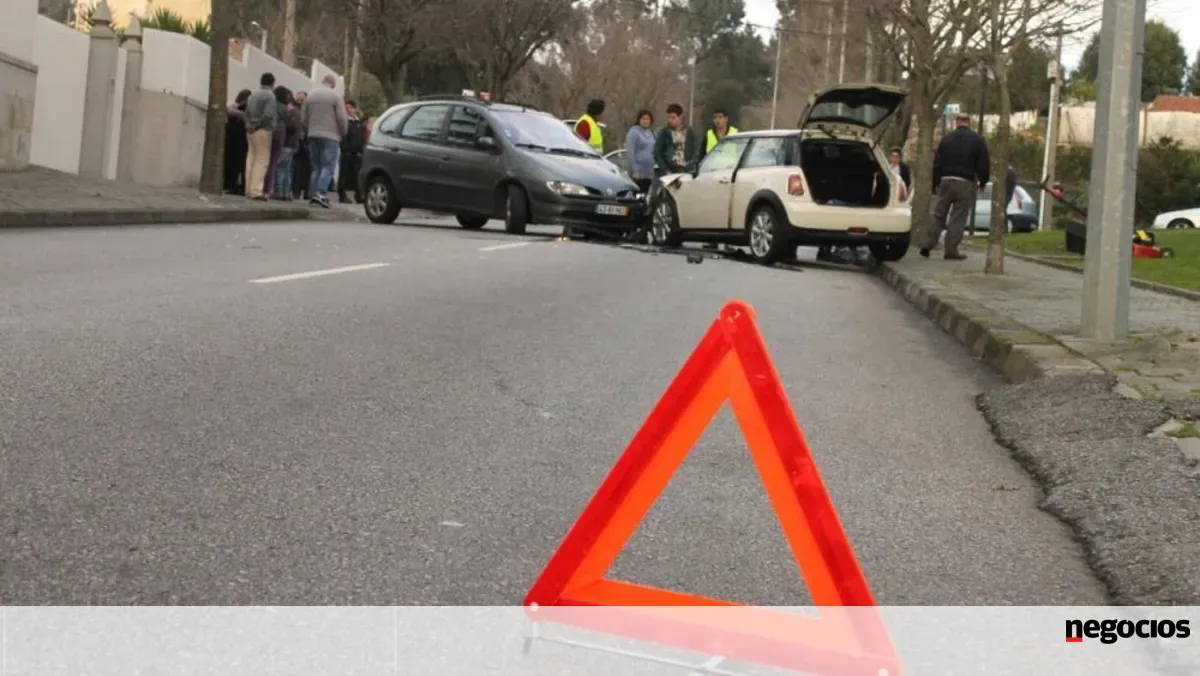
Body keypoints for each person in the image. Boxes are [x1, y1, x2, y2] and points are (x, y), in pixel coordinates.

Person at [921, 112, 990, 260]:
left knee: (939, 214)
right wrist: (983, 182)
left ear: (956, 122)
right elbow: (984, 163)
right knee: (958, 217)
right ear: (969, 122)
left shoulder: (946, 139)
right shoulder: (977, 140)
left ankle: (928, 243)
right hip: (965, 182)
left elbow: (937, 163)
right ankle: (951, 250)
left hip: (946, 180)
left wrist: (935, 183)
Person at [301, 74, 348, 208]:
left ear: (322, 81)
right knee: (328, 166)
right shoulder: (335, 97)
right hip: (330, 136)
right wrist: (343, 133)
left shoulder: (310, 96)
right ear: (332, 84)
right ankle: (320, 194)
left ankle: (312, 194)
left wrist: (307, 130)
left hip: (313, 134)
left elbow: (304, 117)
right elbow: (342, 118)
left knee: (316, 166)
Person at [243, 73, 278, 201]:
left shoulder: (253, 94)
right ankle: (256, 191)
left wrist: (249, 125)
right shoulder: (270, 96)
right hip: (263, 130)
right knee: (261, 160)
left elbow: (246, 113)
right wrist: (257, 125)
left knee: (250, 158)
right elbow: (268, 114)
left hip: (250, 131)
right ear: (272, 83)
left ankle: (248, 189)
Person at [273, 88, 303, 200]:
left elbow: (292, 127)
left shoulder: (292, 112)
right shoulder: (297, 112)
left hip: (287, 143)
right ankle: (286, 192)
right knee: (287, 169)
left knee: (280, 168)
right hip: (293, 144)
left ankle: (279, 192)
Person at [263, 85, 292, 198]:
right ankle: (267, 189)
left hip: (267, 132)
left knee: (263, 161)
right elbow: (289, 122)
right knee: (273, 162)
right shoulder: (284, 108)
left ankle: (259, 186)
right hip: (279, 135)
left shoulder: (270, 104)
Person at [653, 103, 698, 177]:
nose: (670, 120)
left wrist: (691, 164)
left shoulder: (689, 131)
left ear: (680, 117)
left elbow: (695, 150)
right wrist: (665, 170)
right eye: (668, 118)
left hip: (686, 170)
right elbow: (657, 152)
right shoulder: (664, 132)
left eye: (673, 118)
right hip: (669, 171)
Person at [337, 100, 366, 204]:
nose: (348, 110)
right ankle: (341, 193)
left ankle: (358, 194)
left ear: (355, 109)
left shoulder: (358, 122)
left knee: (357, 174)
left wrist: (361, 149)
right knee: (344, 174)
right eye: (346, 107)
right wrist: (345, 149)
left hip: (357, 153)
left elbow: (361, 137)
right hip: (347, 152)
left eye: (350, 107)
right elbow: (343, 136)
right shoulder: (345, 121)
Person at [223, 89, 251, 194]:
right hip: (238, 139)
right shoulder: (236, 108)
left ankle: (231, 184)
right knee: (236, 163)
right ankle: (232, 185)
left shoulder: (236, 108)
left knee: (235, 163)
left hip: (235, 138)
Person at [624, 109, 657, 193]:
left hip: (649, 172)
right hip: (638, 172)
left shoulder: (652, 133)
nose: (645, 121)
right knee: (637, 194)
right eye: (643, 119)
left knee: (646, 195)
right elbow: (630, 152)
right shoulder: (634, 132)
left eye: (647, 119)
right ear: (639, 120)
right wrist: (635, 170)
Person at [291, 91, 311, 200]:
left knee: (308, 168)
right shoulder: (294, 111)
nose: (300, 102)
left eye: (302, 100)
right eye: (298, 100)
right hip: (298, 141)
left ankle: (307, 192)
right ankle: (296, 191)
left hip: (307, 141)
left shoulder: (309, 112)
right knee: (297, 168)